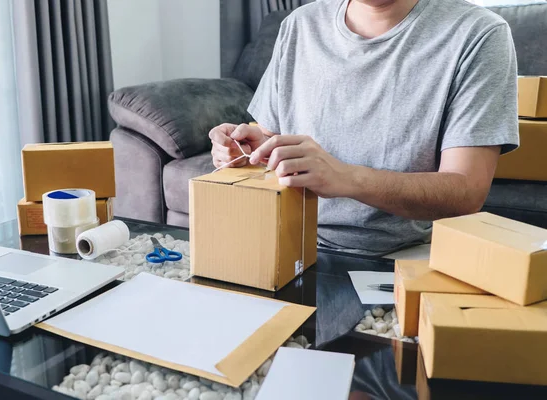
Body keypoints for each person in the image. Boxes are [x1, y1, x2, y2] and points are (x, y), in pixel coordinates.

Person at [209, 0, 519, 256]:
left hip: (400, 254)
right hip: (286, 238)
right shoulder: (300, 24)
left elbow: (466, 191)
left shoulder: (479, 33)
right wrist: (252, 147)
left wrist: (347, 177)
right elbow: (272, 136)